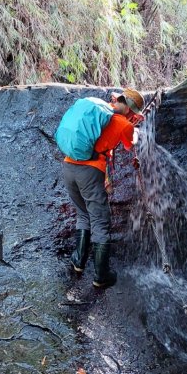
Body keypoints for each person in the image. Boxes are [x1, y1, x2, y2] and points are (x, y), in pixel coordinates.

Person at [61, 88, 145, 289]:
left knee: (83, 215)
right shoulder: (124, 123)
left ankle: (78, 262)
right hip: (90, 172)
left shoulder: (98, 110)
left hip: (68, 166)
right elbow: (129, 144)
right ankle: (101, 275)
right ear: (132, 112)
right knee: (100, 222)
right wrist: (134, 129)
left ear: (118, 100)